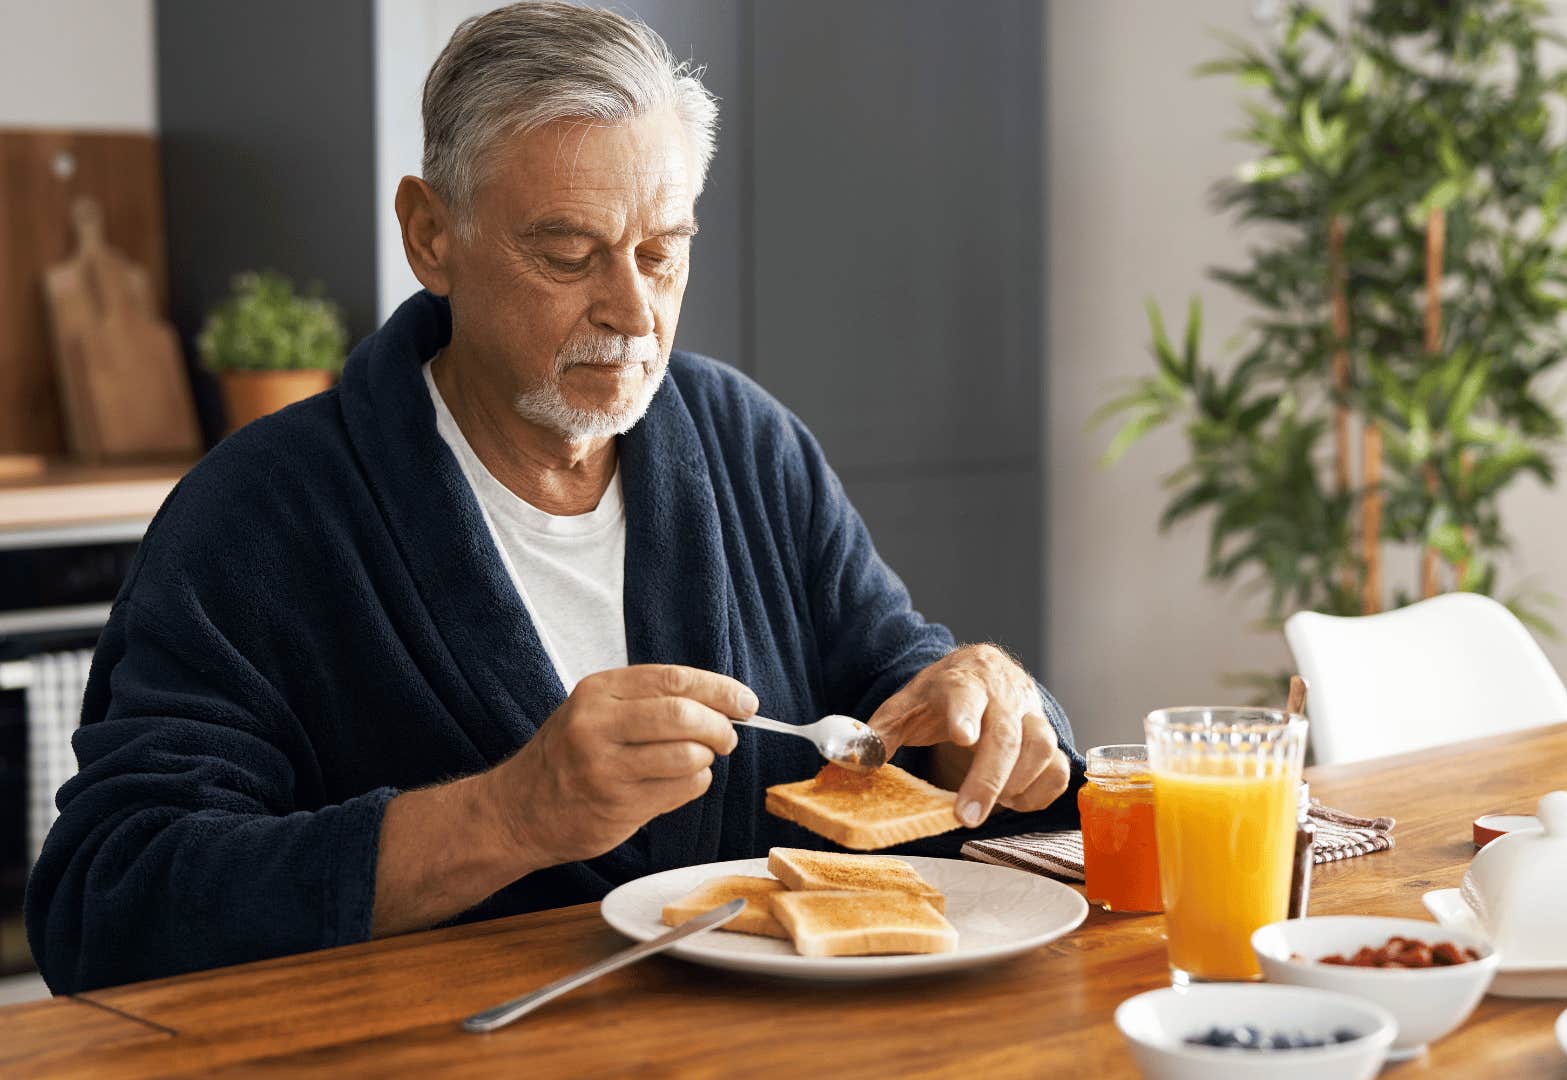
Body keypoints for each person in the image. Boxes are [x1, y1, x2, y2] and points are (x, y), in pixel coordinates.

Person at [27, 1, 1078, 994]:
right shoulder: (257, 515)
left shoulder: (748, 442)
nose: (631, 309)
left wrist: (980, 720)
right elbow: (108, 904)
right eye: (568, 254)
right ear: (431, 234)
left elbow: (893, 685)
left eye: (663, 254)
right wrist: (508, 816)